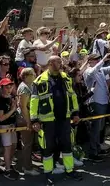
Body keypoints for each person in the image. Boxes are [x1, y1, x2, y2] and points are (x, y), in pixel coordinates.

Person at [30, 55, 82, 185]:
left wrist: (75, 113)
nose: (61, 64)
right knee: (48, 148)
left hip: (64, 119)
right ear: (50, 64)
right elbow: (34, 101)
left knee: (67, 146)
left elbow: (73, 96)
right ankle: (48, 173)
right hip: (48, 121)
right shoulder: (39, 81)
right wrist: (34, 120)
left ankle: (69, 170)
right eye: (58, 62)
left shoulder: (66, 78)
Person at [0, 77, 19, 180]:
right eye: (7, 87)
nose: (9, 88)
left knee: (14, 145)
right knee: (7, 147)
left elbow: (14, 111)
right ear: (1, 88)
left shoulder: (11, 97)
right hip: (4, 126)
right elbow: (1, 118)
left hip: (12, 125)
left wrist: (15, 107)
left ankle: (9, 165)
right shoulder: (1, 100)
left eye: (10, 86)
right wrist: (13, 109)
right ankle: (7, 169)